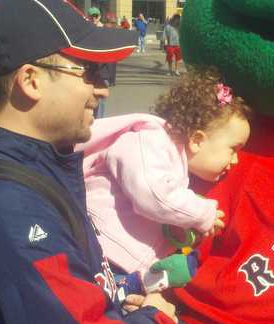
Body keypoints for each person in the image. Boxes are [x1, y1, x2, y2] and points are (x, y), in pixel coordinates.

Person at [0, 0, 176, 324]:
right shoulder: (4, 209)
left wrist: (115, 295)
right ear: (31, 80)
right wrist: (157, 317)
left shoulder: (26, 165)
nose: (103, 89)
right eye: (89, 71)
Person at [78, 67, 249, 281]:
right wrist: (203, 213)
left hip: (119, 261)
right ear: (197, 140)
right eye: (233, 149)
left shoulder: (175, 163)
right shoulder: (149, 140)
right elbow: (153, 195)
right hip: (98, 249)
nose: (236, 160)